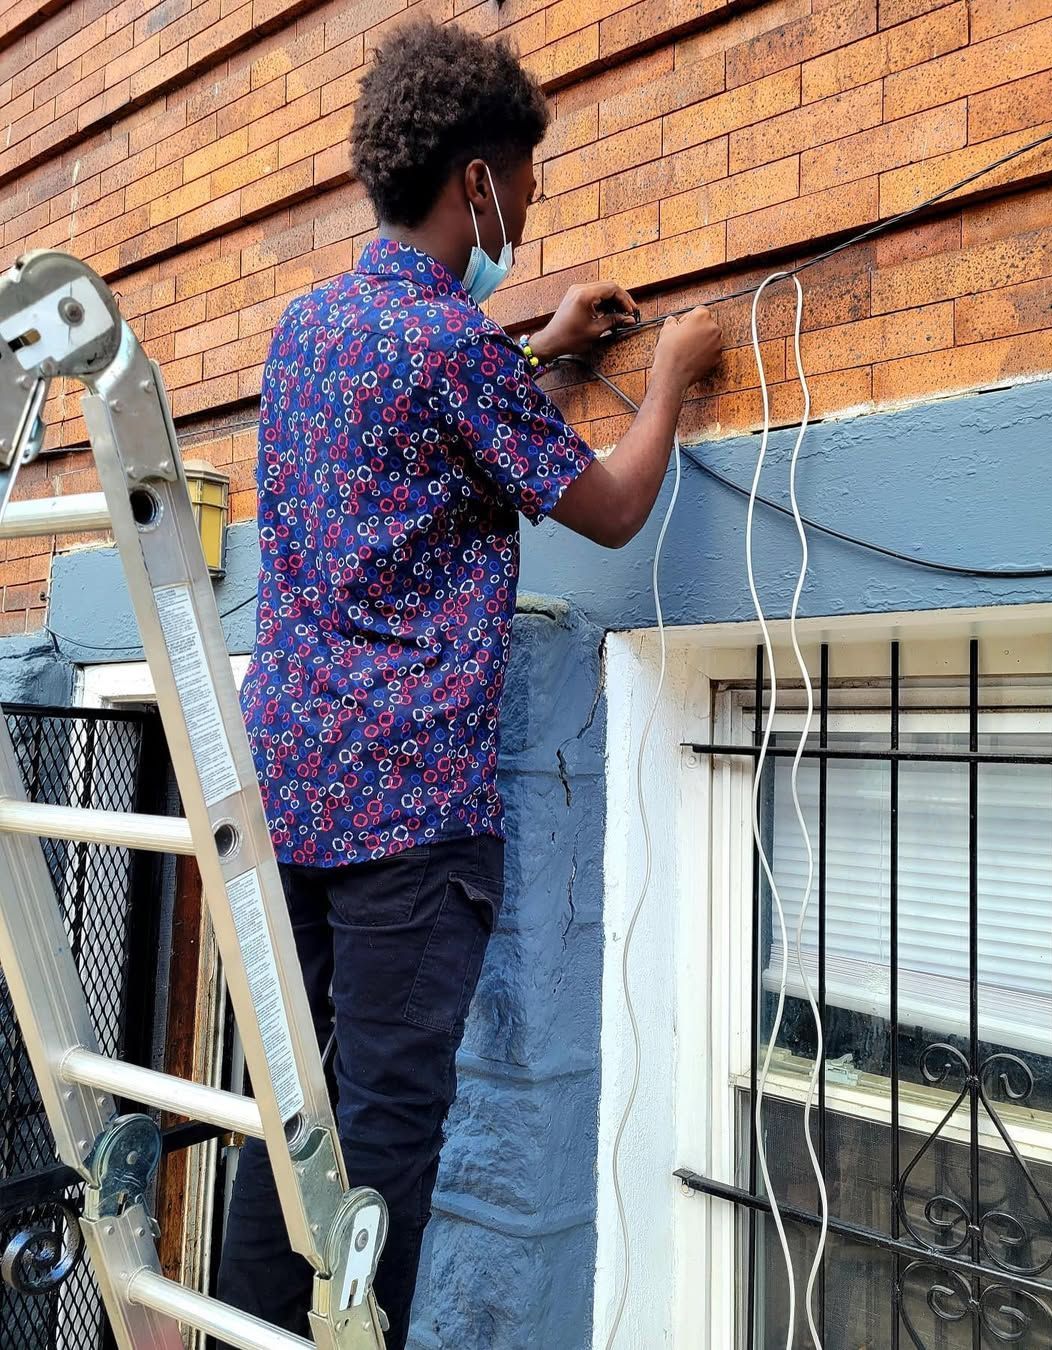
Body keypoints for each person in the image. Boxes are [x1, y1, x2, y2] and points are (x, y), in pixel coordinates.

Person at [213, 17, 722, 1350]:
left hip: (291, 794)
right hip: (403, 822)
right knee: (383, 1141)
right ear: (477, 181)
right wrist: (663, 378)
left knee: (295, 1110)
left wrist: (537, 356)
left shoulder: (314, 325)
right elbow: (606, 508)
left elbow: (441, 439)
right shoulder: (451, 353)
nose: (532, 207)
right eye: (527, 183)